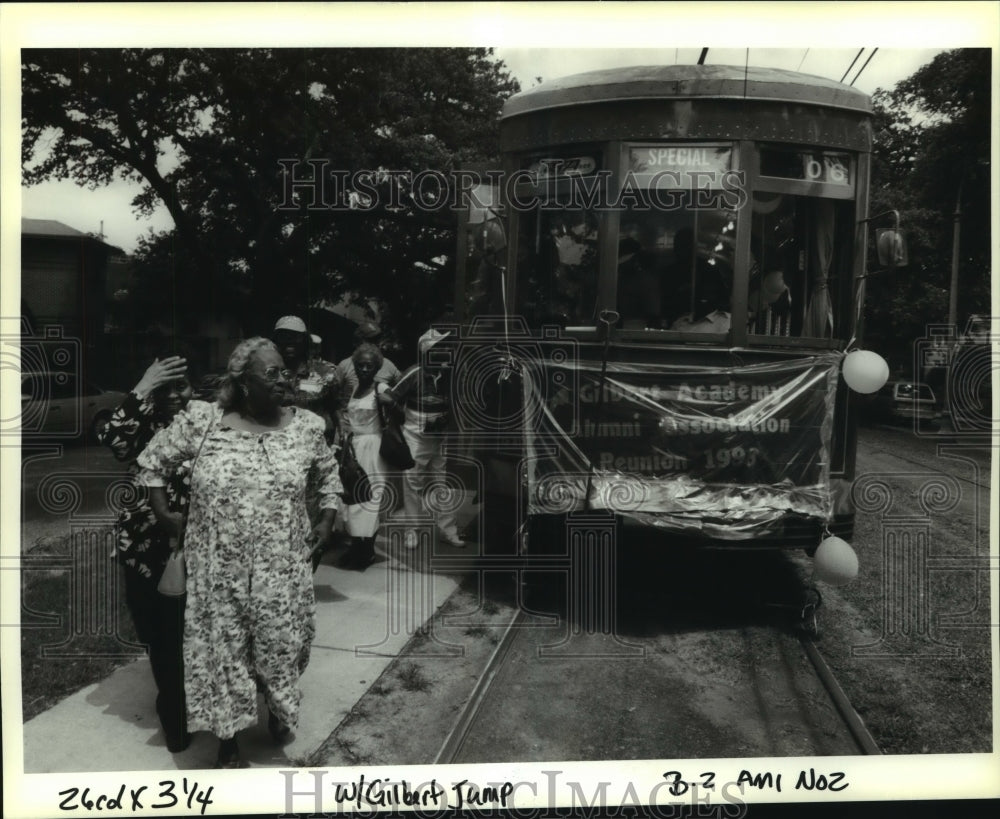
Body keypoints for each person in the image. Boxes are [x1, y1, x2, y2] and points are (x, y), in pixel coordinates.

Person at [136, 337, 341, 768]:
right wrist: (164, 513)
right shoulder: (204, 421)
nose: (284, 379)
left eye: (285, 371)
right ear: (243, 383)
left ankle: (278, 707)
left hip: (281, 565)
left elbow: (328, 475)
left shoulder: (306, 425)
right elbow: (153, 462)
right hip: (217, 566)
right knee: (223, 651)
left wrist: (326, 517)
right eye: (271, 373)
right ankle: (228, 738)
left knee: (281, 644)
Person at [97, 353, 200, 754]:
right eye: (164, 388)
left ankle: (186, 709)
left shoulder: (205, 422)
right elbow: (114, 441)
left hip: (197, 543)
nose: (174, 396)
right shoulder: (143, 423)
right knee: (158, 633)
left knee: (189, 631)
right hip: (143, 545)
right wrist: (143, 385)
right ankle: (174, 708)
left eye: (182, 386)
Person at [382, 328, 465, 549]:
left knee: (443, 484)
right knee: (412, 485)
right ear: (428, 352)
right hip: (415, 437)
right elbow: (387, 396)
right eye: (440, 347)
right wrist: (399, 417)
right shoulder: (414, 373)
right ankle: (412, 531)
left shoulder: (448, 373)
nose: (446, 350)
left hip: (439, 436)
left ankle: (449, 531)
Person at [337, 343, 391, 570]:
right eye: (360, 365)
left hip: (373, 447)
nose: (364, 369)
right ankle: (356, 546)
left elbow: (397, 404)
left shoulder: (381, 388)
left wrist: (391, 401)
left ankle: (366, 550)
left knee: (370, 498)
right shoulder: (354, 389)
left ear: (377, 367)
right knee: (351, 497)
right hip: (354, 446)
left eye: (369, 365)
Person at [272, 315, 341, 443]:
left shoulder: (325, 372)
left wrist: (342, 437)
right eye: (283, 336)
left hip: (317, 445)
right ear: (275, 341)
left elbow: (338, 408)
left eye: (296, 336)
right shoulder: (268, 373)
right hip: (279, 446)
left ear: (305, 341)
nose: (289, 341)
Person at [335, 321, 400, 409]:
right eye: (371, 340)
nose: (376, 344)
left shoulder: (388, 365)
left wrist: (391, 401)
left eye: (378, 340)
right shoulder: (345, 365)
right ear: (358, 341)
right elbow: (333, 395)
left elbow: (402, 390)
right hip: (349, 418)